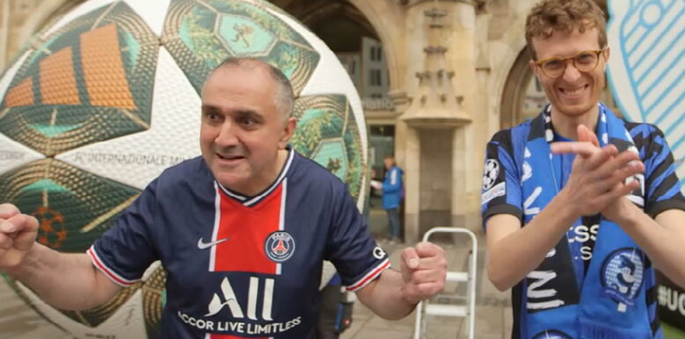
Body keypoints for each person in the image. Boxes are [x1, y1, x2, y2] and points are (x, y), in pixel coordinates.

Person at [0, 58, 446, 339]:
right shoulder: (171, 192)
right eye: (213, 116)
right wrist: (28, 260)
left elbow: (375, 290)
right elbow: (95, 282)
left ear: (286, 131)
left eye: (247, 121)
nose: (223, 137)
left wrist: (406, 289)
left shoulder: (322, 193)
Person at [481, 0, 685, 339]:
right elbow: (500, 272)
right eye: (554, 63)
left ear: (605, 57)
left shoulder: (646, 144)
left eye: (584, 58)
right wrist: (571, 203)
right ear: (536, 69)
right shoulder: (508, 147)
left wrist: (624, 212)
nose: (571, 76)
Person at [382, 156, 404, 243]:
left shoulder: (394, 171)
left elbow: (394, 185)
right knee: (391, 218)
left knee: (394, 218)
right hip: (389, 199)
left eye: (386, 163)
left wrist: (382, 186)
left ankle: (395, 236)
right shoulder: (390, 172)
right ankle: (391, 235)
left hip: (392, 199)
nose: (385, 165)